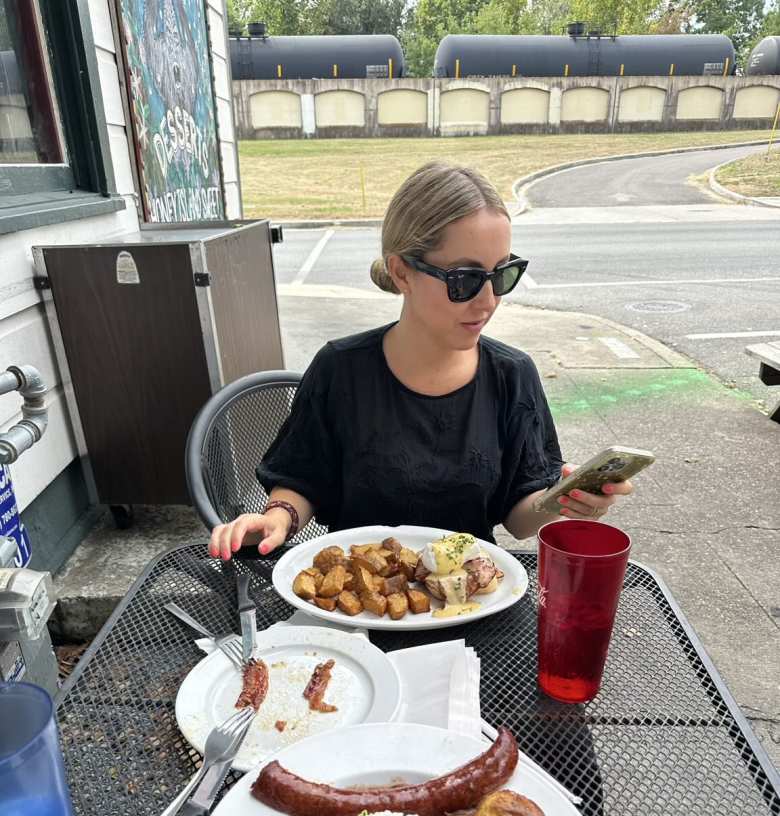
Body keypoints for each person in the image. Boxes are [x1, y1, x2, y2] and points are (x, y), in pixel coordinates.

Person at [209, 161, 633, 563]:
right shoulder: (340, 368)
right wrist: (276, 517)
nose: (488, 301)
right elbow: (302, 478)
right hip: (355, 598)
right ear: (402, 272)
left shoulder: (512, 375)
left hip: (469, 595)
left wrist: (562, 499)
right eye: (464, 279)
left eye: (502, 274)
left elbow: (518, 521)